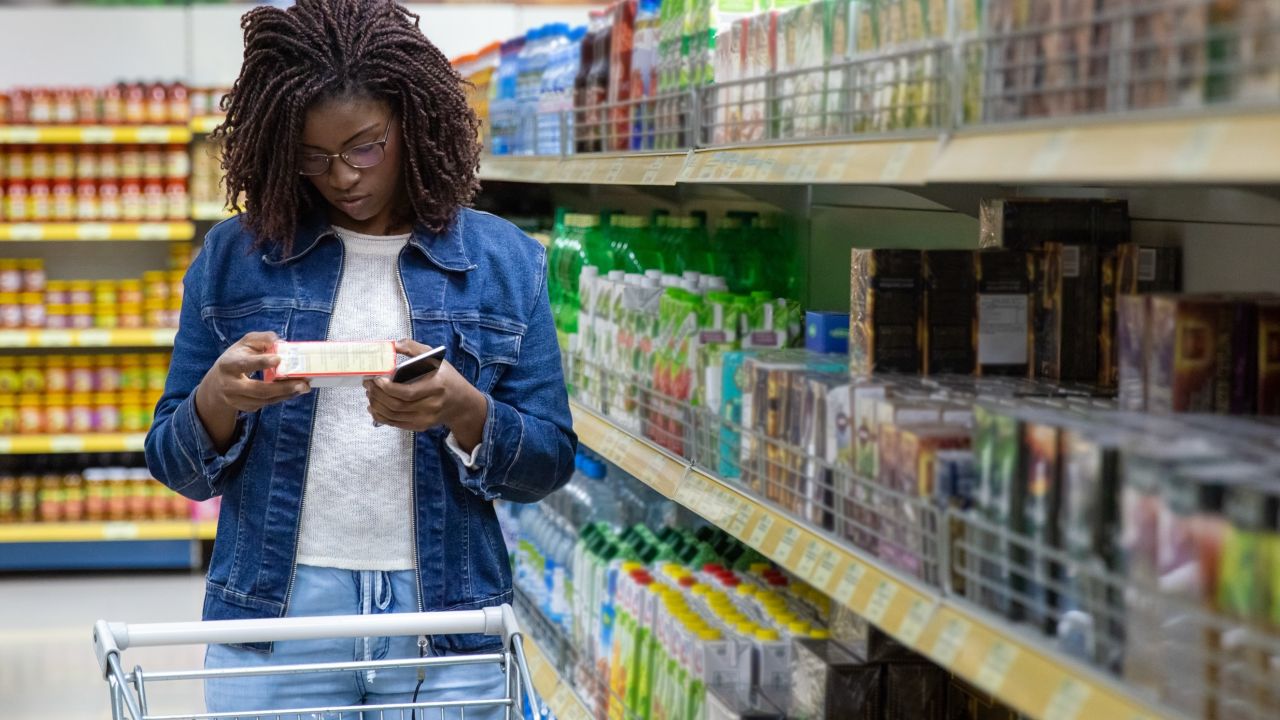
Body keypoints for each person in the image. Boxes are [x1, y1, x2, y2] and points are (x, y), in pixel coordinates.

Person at [144, 1, 576, 717]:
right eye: (313, 158)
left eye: (364, 147)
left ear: (414, 121)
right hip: (279, 616)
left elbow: (549, 462)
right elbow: (174, 464)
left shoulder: (503, 261)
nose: (341, 176)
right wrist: (217, 401)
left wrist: (463, 411)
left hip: (446, 619)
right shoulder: (236, 258)